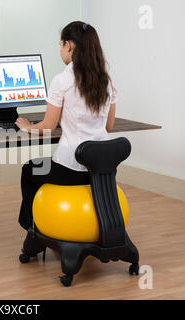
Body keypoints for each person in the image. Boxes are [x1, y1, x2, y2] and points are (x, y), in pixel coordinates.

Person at [16, 21, 118, 247]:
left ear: (69, 46)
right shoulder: (106, 80)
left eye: (61, 45)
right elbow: (108, 126)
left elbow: (47, 127)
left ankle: (32, 231)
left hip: (70, 169)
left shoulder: (62, 80)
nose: (61, 49)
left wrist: (25, 126)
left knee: (28, 170)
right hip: (101, 169)